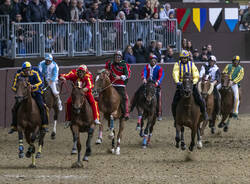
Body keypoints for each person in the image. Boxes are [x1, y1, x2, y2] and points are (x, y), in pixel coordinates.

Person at [9, 61, 49, 134]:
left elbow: (41, 82)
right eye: (25, 69)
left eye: (28, 69)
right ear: (23, 69)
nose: (27, 71)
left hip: (35, 92)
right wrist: (18, 91)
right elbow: (13, 86)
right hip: (23, 94)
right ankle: (14, 126)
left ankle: (44, 125)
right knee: (14, 108)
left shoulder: (35, 73)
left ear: (30, 69)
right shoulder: (18, 74)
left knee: (42, 106)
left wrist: (33, 86)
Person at [172, 50, 209, 125]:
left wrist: (194, 82)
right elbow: (175, 73)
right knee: (174, 102)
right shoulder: (177, 64)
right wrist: (177, 82)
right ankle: (175, 118)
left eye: (185, 58)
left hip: (191, 85)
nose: (184, 59)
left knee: (199, 99)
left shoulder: (191, 64)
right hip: (181, 86)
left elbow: (196, 73)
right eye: (183, 58)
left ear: (188, 58)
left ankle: (204, 113)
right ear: (180, 58)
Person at [105, 50, 131, 120]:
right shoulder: (110, 64)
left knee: (124, 98)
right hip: (111, 84)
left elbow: (127, 75)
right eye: (116, 56)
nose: (117, 58)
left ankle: (126, 112)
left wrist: (119, 77)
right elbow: (106, 70)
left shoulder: (124, 64)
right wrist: (106, 73)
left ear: (121, 58)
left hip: (120, 85)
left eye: (119, 57)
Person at [141, 55, 164, 120]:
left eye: (154, 60)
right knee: (139, 94)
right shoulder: (146, 67)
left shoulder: (159, 68)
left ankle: (159, 113)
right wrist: (144, 79)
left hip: (156, 85)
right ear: (150, 61)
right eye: (152, 60)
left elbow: (161, 75)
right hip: (147, 84)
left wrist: (157, 82)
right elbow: (144, 73)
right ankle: (141, 111)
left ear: (156, 61)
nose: (153, 61)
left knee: (158, 98)